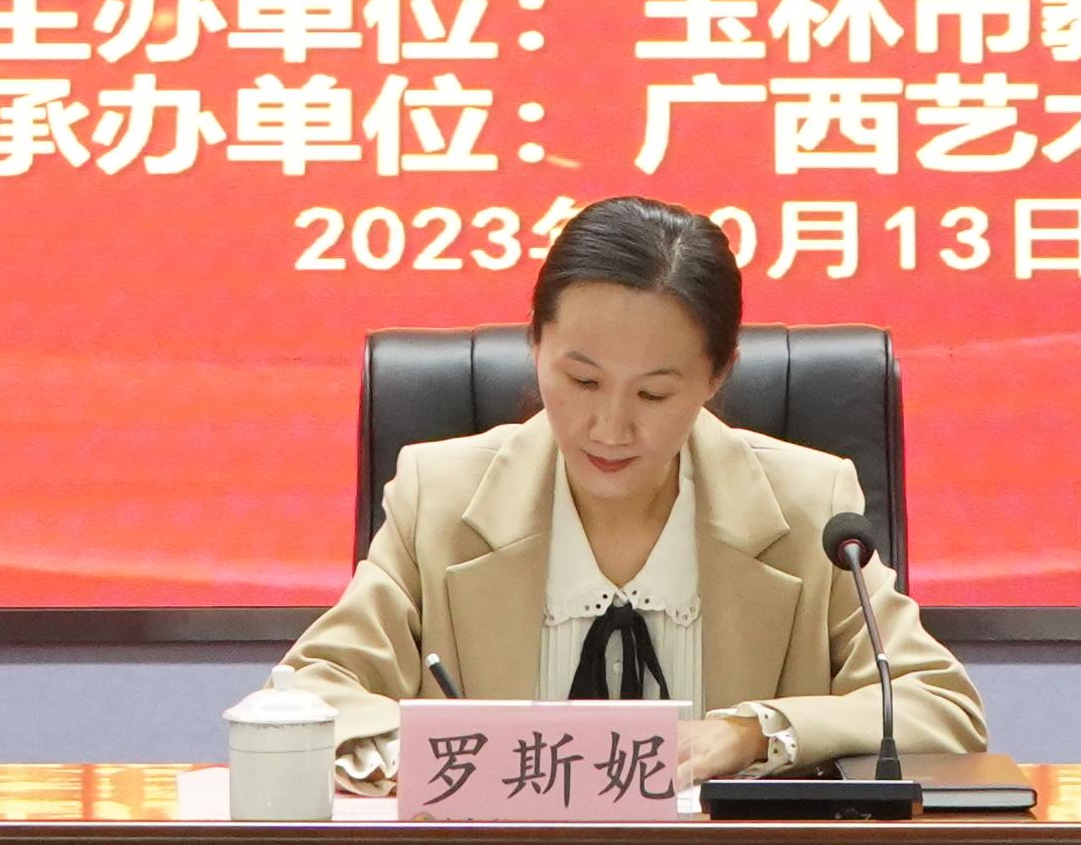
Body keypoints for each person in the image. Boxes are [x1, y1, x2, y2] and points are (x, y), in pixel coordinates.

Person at [283, 195, 985, 788]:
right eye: (582, 381)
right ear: (536, 346)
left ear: (717, 375)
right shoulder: (439, 497)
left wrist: (755, 732)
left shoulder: (807, 507)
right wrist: (462, 759)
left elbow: (939, 706)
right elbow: (305, 697)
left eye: (653, 393)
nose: (610, 427)